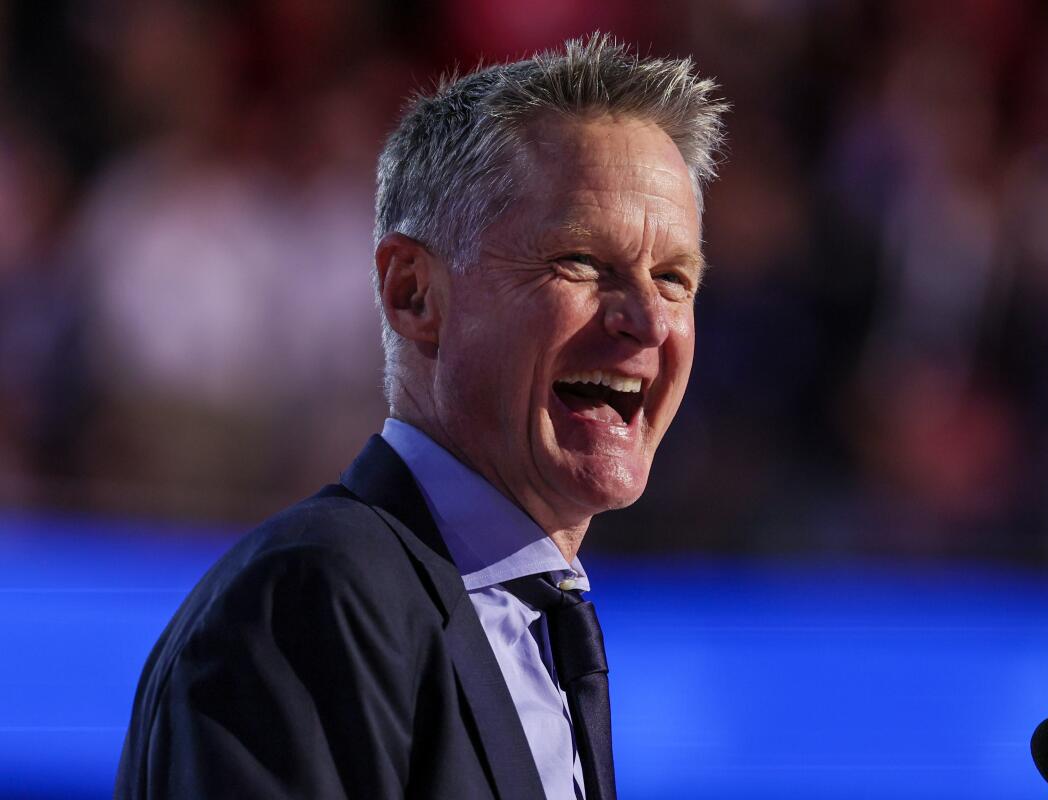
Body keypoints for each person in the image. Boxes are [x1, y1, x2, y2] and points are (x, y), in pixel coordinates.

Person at [115, 34, 726, 800]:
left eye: (674, 279)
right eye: (581, 262)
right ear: (414, 294)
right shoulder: (308, 602)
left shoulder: (541, 628)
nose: (646, 320)